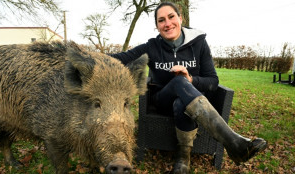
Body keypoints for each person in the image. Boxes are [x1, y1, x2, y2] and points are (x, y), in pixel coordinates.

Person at [110, 1, 267, 173]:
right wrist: (84, 56)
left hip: (190, 104)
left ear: (180, 18)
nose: (167, 23)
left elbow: (213, 81)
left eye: (171, 17)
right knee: (178, 83)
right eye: (161, 20)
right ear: (157, 26)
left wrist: (190, 79)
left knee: (181, 102)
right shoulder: (152, 47)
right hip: (162, 101)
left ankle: (183, 161)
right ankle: (233, 143)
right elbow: (119, 59)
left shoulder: (198, 43)